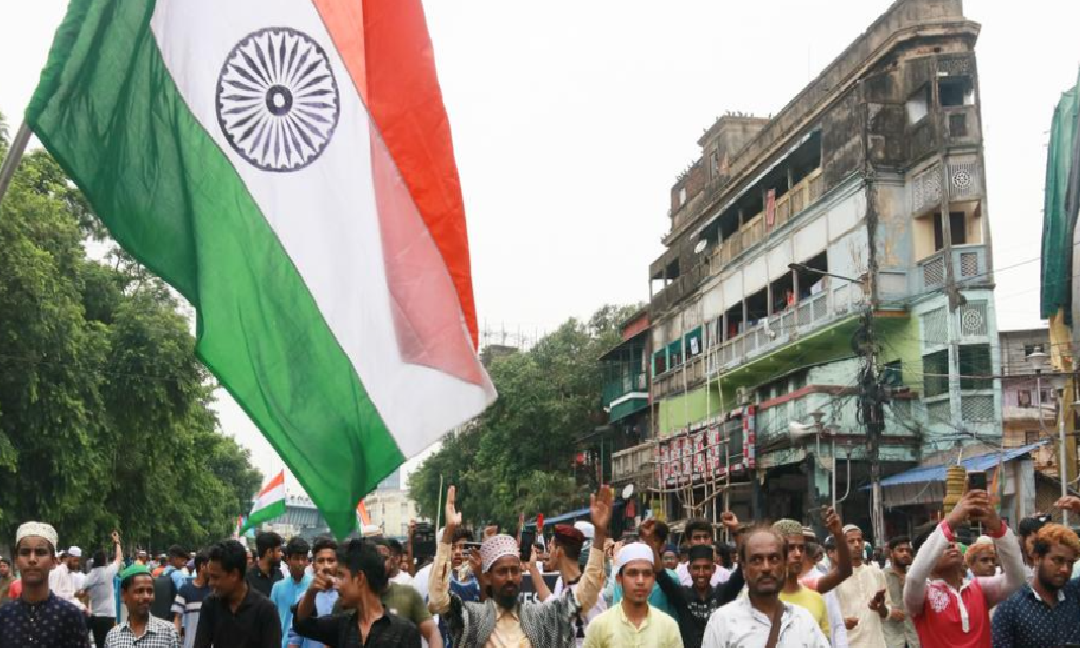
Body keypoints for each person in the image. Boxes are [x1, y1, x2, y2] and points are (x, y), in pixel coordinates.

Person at [429, 484, 610, 648]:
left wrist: (600, 535)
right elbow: (438, 600)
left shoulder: (540, 616)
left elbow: (585, 595)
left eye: (514, 571)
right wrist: (448, 533)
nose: (510, 578)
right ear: (488, 577)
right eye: (502, 571)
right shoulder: (471, 617)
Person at [902, 489, 1024, 648]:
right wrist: (950, 521)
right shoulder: (922, 595)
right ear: (926, 555)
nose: (951, 544)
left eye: (953, 541)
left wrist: (998, 527)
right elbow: (914, 578)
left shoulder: (979, 588)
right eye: (944, 544)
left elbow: (1017, 579)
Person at [702, 526, 830, 648]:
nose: (766, 568)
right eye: (756, 560)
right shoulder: (722, 622)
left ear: (785, 565)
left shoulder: (803, 620)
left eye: (774, 559)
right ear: (744, 568)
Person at [292, 539, 420, 647]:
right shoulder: (341, 625)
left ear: (359, 578)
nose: (336, 584)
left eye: (341, 576)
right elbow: (302, 625)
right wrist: (311, 592)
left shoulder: (405, 632)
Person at [993, 499, 1080, 648]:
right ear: (1037, 557)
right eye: (1058, 560)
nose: (1065, 569)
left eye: (1070, 563)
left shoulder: (1075, 595)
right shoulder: (1011, 608)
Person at [647, 517, 744, 648]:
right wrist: (651, 544)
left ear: (714, 569)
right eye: (696, 568)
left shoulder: (723, 592)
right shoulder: (682, 595)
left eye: (706, 568)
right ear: (689, 569)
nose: (701, 573)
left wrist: (735, 532)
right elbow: (660, 574)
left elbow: (742, 571)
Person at [0, 521, 90, 648]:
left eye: (40, 552)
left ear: (53, 561)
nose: (32, 559)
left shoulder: (70, 616)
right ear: (16, 561)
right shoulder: (4, 616)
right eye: (25, 552)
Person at [581, 543, 682, 648]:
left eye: (647, 574)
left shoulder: (668, 626)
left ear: (653, 579)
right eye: (632, 573)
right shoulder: (599, 626)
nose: (640, 581)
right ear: (619, 579)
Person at [193, 539, 280, 648]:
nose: (210, 583)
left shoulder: (266, 610)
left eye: (215, 577)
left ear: (234, 574)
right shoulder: (210, 605)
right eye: (209, 577)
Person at [533, 524, 609, 647]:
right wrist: (532, 567)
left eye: (551, 546)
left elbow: (604, 636)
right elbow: (550, 602)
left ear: (559, 551)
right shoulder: (560, 583)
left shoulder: (590, 592)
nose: (548, 553)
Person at [374, 540, 441, 648]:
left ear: (392, 561)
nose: (380, 563)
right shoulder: (350, 600)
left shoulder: (408, 594)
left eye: (384, 558)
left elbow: (432, 632)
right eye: (375, 559)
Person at [772, 518, 832, 638]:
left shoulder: (816, 599)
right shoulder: (756, 598)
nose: (798, 554)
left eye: (801, 548)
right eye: (791, 548)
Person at [834, 524, 887, 648]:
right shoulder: (834, 579)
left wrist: (880, 607)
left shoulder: (876, 573)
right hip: (848, 643)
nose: (857, 544)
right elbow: (828, 619)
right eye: (851, 541)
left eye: (859, 540)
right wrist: (843, 623)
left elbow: (886, 613)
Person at [105, 564, 181, 648]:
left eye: (150, 591)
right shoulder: (113, 637)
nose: (146, 596)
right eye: (139, 591)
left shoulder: (169, 633)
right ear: (124, 595)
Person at [285, 537, 338, 648]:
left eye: (330, 560)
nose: (326, 566)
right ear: (313, 565)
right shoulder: (305, 597)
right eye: (321, 561)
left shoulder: (346, 596)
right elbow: (294, 638)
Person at [85, 531, 125, 648]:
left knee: (99, 643)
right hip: (109, 615)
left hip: (95, 616)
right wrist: (116, 542)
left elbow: (81, 592)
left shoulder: (89, 576)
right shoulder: (109, 572)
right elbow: (118, 558)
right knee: (110, 643)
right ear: (104, 560)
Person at [270, 537, 312, 646]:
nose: (301, 563)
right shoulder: (277, 588)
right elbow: (272, 622)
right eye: (297, 558)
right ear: (288, 559)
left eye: (304, 558)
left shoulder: (313, 588)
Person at [881, 536, 918, 648]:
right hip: (892, 638)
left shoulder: (916, 576)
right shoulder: (882, 576)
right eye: (900, 551)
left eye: (907, 551)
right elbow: (874, 604)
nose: (905, 554)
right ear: (892, 553)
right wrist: (889, 611)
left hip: (914, 638)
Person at [173, 553, 211, 648]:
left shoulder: (214, 592)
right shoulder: (184, 590)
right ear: (202, 566)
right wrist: (176, 642)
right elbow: (178, 618)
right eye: (210, 566)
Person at [677, 519, 729, 587]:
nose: (702, 541)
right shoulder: (678, 575)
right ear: (688, 542)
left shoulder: (724, 575)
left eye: (705, 537)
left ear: (711, 540)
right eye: (697, 538)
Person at [246, 532, 284, 598]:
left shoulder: (278, 574)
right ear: (269, 552)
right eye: (279, 550)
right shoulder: (249, 578)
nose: (281, 554)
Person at [1017, 514, 1050, 581]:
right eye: (1033, 542)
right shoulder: (1015, 567)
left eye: (1041, 542)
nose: (1037, 547)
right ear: (1023, 540)